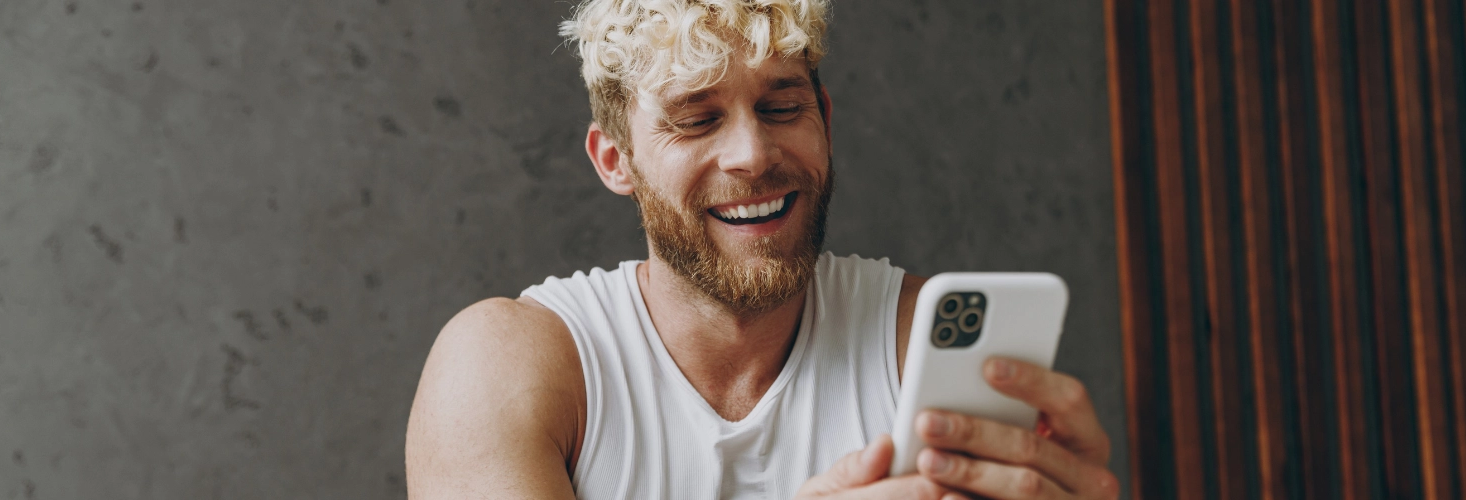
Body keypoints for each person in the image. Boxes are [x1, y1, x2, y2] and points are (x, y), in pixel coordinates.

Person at [405, 1, 1118, 498]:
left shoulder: (922, 346)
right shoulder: (506, 365)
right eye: (695, 119)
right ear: (615, 158)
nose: (752, 152)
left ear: (825, 118)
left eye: (781, 108)